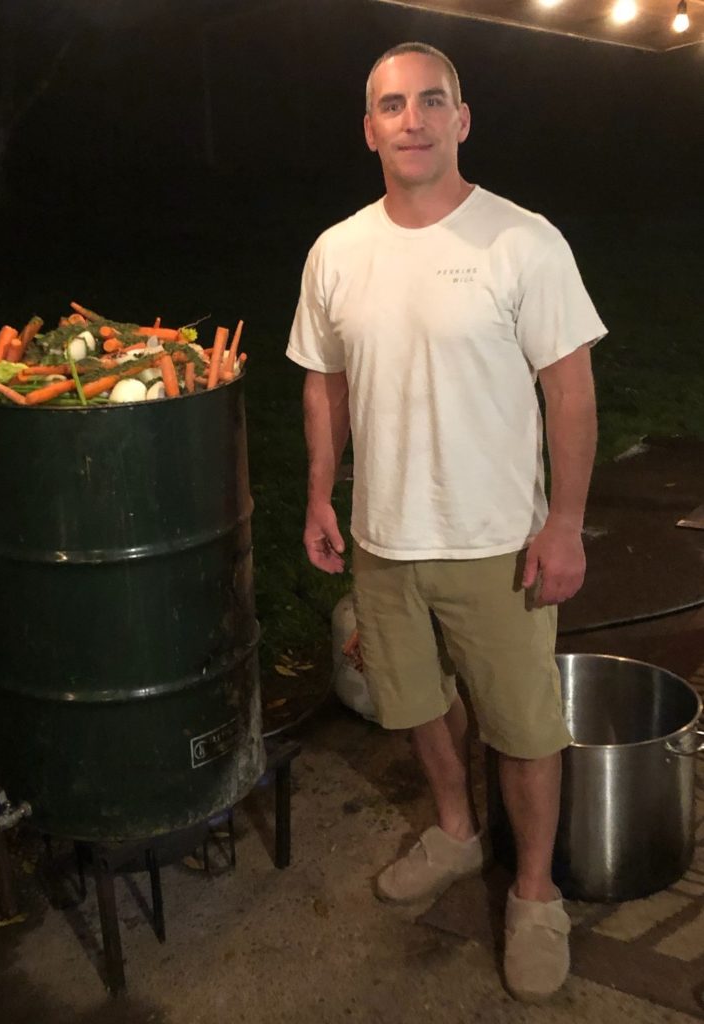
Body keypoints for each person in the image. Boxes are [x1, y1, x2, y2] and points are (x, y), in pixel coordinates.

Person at [286, 41, 605, 1003]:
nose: (412, 120)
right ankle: (458, 835)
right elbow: (322, 384)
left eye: (431, 102)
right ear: (369, 128)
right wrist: (318, 493)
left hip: (495, 540)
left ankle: (537, 893)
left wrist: (565, 525)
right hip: (383, 540)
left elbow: (571, 395)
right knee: (414, 703)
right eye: (391, 105)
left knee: (522, 727)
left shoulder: (523, 241)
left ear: (461, 120)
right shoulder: (337, 250)